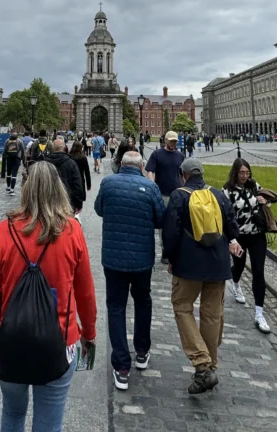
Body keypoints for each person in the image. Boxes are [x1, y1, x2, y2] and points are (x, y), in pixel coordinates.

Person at [0, 162, 97, 432]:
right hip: (60, 342)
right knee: (49, 424)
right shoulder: (72, 230)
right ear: (59, 189)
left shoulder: (4, 231)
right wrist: (88, 333)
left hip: (11, 343)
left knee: (12, 415)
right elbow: (86, 292)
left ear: (25, 188)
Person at [162, 158, 241, 395]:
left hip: (189, 263)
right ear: (202, 174)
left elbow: (171, 232)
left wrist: (170, 258)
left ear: (182, 174)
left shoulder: (179, 196)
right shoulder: (217, 194)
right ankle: (211, 365)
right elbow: (232, 226)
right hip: (217, 263)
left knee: (182, 307)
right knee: (212, 314)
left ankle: (202, 363)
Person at [94, 151, 165, 391]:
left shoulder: (108, 183)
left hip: (113, 259)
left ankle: (121, 366)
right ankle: (142, 352)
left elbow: (99, 209)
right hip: (142, 260)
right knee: (143, 302)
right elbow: (160, 220)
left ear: (120, 164)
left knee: (116, 308)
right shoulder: (150, 187)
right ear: (142, 166)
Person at [222, 159, 275, 333]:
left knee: (259, 271)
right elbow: (226, 216)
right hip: (240, 236)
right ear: (235, 173)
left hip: (257, 234)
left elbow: (268, 203)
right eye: (242, 173)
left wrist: (263, 201)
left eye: (247, 173)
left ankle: (259, 313)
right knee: (238, 266)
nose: (245, 176)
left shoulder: (254, 185)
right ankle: (236, 284)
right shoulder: (227, 191)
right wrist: (231, 239)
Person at [44, 138, 87, 217]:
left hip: (48, 202)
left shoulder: (44, 163)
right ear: (64, 148)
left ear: (53, 148)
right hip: (67, 202)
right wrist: (78, 204)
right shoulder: (71, 163)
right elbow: (77, 185)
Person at [68, 141, 93, 205]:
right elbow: (87, 172)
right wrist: (88, 184)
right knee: (79, 201)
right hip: (80, 180)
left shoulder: (68, 157)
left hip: (70, 180)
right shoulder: (83, 158)